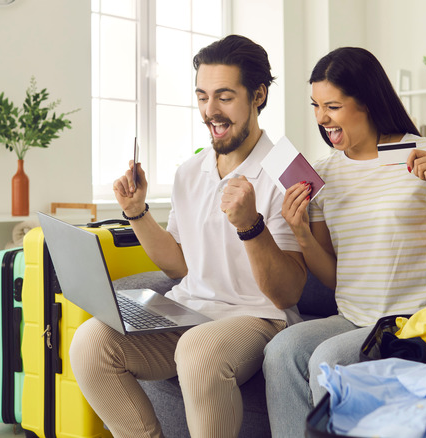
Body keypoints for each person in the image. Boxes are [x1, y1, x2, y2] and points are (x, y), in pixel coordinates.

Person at [69, 34, 308, 438]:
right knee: (90, 341)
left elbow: (287, 294)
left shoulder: (289, 170)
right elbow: (179, 263)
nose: (209, 111)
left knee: (197, 353)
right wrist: (137, 212)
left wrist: (251, 226)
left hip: (256, 316)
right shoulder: (189, 171)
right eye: (202, 96)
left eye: (225, 97)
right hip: (190, 308)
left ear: (259, 95)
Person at [263, 47, 426, 437]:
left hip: (420, 320)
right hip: (354, 318)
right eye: (315, 105)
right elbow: (333, 278)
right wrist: (299, 232)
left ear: (367, 101)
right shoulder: (321, 173)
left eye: (332, 106)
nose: (321, 118)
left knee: (330, 361)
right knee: (282, 350)